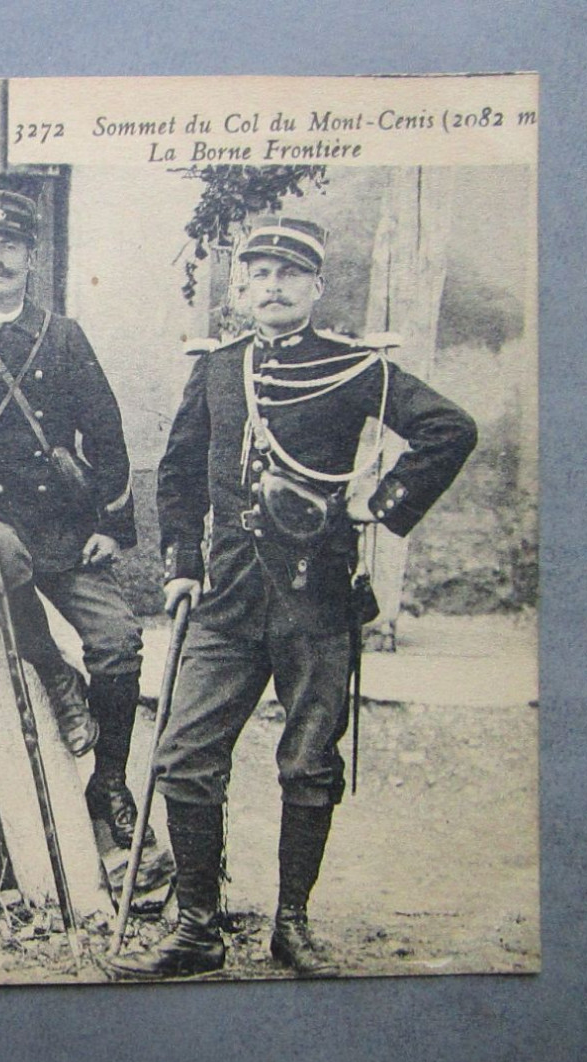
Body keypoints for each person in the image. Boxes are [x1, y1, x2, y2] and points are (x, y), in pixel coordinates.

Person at [113, 218, 478, 979]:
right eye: (259, 273)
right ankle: (197, 928)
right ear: (242, 288)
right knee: (183, 756)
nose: (272, 285)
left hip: (316, 595)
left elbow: (450, 427)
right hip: (227, 595)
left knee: (309, 763)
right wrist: (182, 560)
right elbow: (178, 475)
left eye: (289, 273)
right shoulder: (217, 369)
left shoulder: (354, 369)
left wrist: (379, 501)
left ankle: (293, 924)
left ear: (316, 287)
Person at [0, 189, 155, 855]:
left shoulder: (62, 336)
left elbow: (106, 430)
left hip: (60, 520)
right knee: (4, 557)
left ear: (29, 256)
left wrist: (112, 522)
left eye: (9, 247)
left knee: (120, 641)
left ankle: (110, 785)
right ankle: (53, 672)